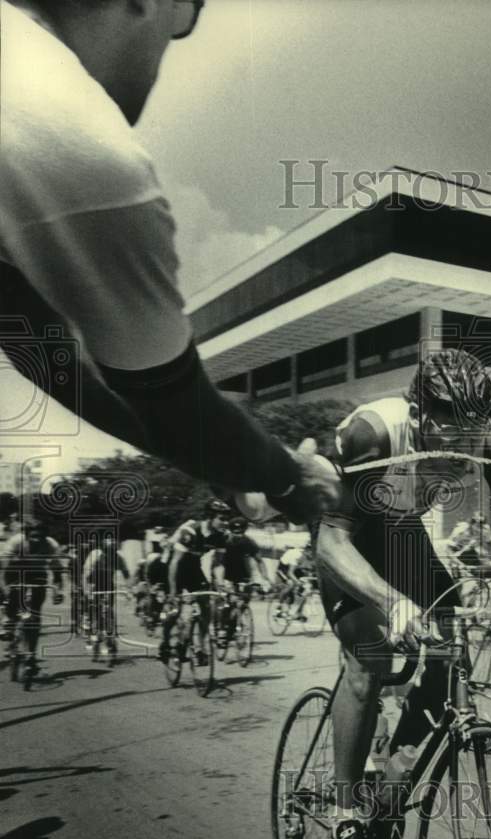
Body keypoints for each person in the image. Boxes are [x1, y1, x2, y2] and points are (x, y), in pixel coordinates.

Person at [0, 0, 340, 526]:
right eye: (186, 20)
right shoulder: (79, 143)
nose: (166, 55)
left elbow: (49, 358)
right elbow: (173, 407)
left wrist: (235, 460)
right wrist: (288, 476)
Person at [316, 349, 491, 839]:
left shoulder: (487, 439)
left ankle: (386, 795)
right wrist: (391, 603)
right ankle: (343, 816)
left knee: (445, 665)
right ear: (418, 414)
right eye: (447, 426)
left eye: (471, 426)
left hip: (404, 535)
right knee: (371, 658)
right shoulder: (374, 432)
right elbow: (332, 540)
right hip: (352, 538)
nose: (459, 443)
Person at [158, 499, 230, 664]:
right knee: (174, 611)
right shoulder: (190, 531)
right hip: (173, 567)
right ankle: (165, 641)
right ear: (210, 517)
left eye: (227, 519)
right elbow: (175, 562)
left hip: (193, 568)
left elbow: (218, 563)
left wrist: (220, 582)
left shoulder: (220, 536)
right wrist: (173, 591)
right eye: (222, 518)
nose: (225, 523)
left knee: (206, 606)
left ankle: (199, 647)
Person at [0, 517, 64, 676]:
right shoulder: (16, 542)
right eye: (34, 536)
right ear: (27, 534)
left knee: (35, 615)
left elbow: (56, 571)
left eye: (40, 536)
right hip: (15, 573)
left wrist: (57, 590)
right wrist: (5, 590)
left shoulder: (50, 544)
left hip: (37, 575)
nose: (37, 539)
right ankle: (8, 620)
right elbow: (3, 571)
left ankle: (31, 656)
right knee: (12, 602)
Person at [212, 516, 271, 643]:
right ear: (230, 530)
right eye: (235, 532)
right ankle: (222, 628)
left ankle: (233, 626)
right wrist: (220, 581)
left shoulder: (249, 542)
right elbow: (218, 562)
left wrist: (265, 578)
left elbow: (259, 561)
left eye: (241, 532)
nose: (238, 535)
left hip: (242, 575)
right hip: (224, 573)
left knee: (243, 601)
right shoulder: (224, 541)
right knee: (228, 602)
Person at [81, 535, 131, 654]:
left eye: (112, 550)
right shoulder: (95, 556)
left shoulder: (118, 557)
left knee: (108, 609)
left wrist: (129, 589)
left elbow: (126, 573)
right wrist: (87, 591)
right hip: (93, 583)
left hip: (108, 585)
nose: (110, 553)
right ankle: (88, 630)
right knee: (92, 609)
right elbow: (85, 575)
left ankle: (110, 635)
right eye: (108, 550)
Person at [274, 541, 316, 618]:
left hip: (296, 570)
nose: (312, 554)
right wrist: (297, 582)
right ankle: (279, 606)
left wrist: (306, 584)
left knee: (305, 589)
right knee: (291, 584)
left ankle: (298, 612)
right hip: (284, 569)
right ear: (306, 550)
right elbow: (290, 573)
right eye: (311, 551)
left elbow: (309, 573)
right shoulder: (297, 555)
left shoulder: (312, 558)